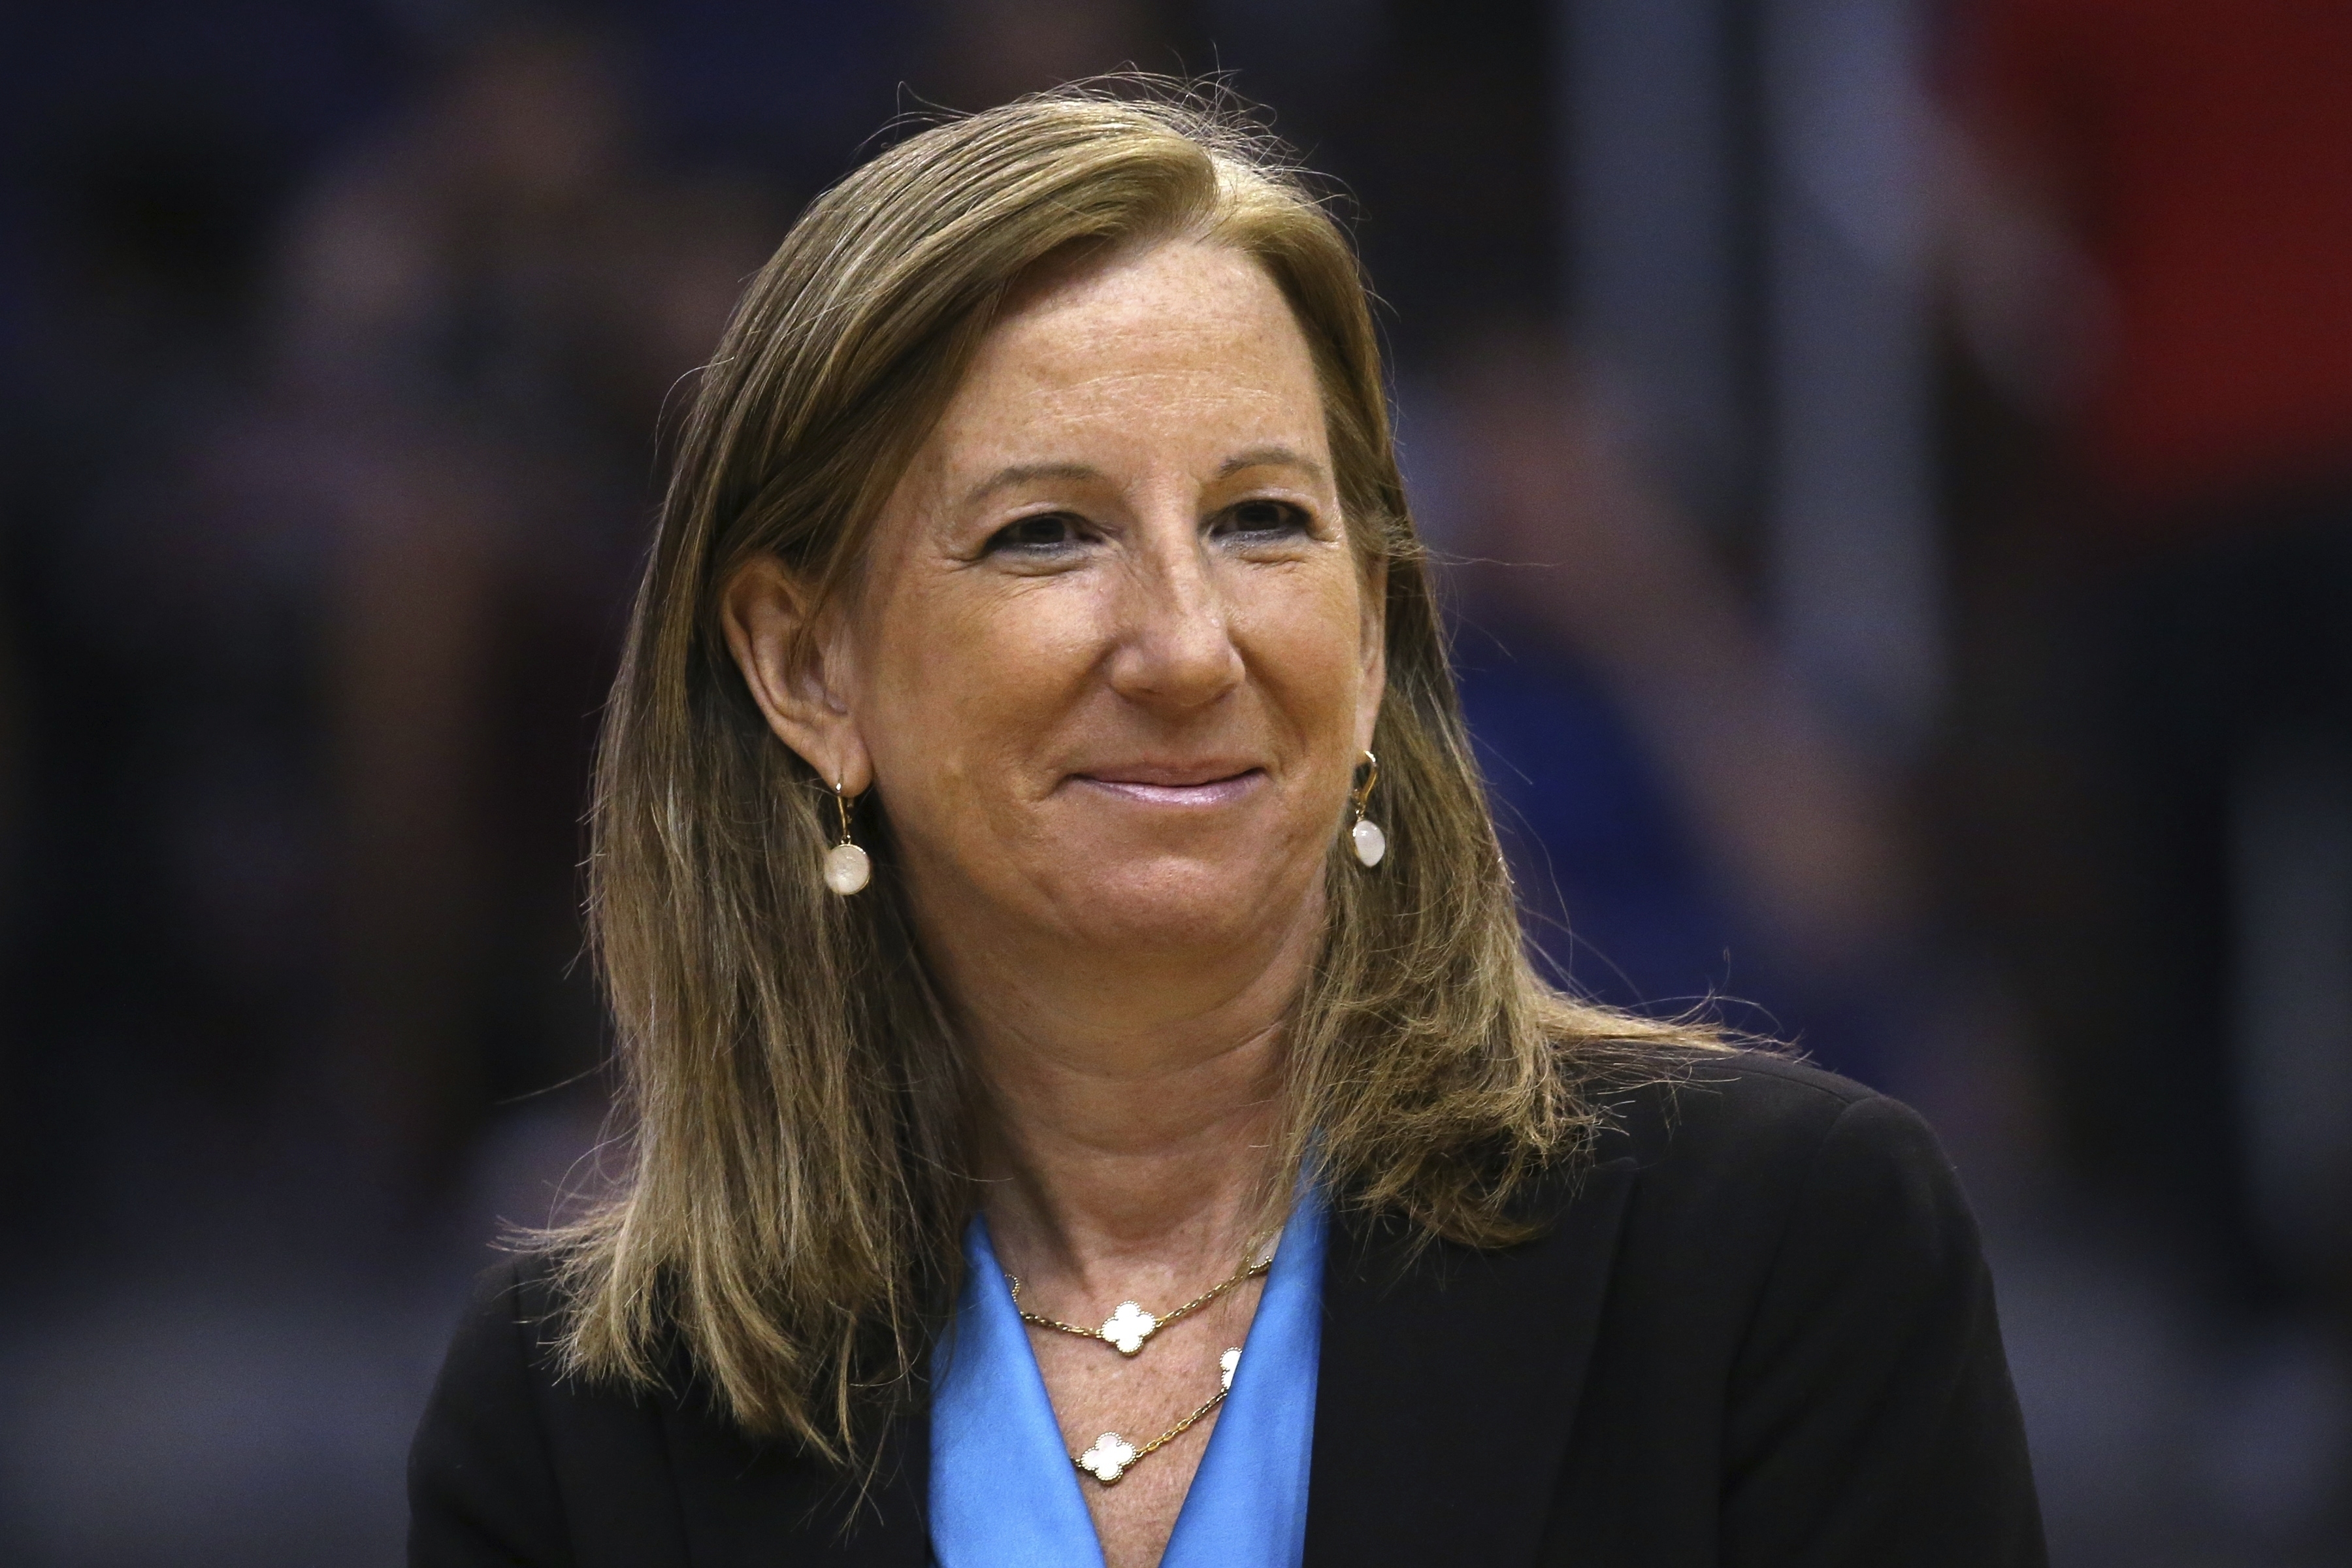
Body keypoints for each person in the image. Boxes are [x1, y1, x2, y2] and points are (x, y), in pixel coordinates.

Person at [408, 87, 2045, 1568]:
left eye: (1264, 521)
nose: (1190, 648)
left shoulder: (1790, 1253)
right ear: (805, 665)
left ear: (1376, 629)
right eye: (1048, 534)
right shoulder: (581, 1417)